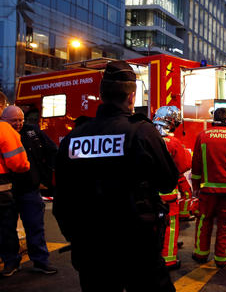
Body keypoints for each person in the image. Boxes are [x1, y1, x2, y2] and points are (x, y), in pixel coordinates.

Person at [53, 60, 179, 291]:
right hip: (136, 245)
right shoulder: (141, 131)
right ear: (131, 97)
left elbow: (61, 198)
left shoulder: (75, 137)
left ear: (102, 95)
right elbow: (168, 181)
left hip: (90, 246)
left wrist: (76, 237)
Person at [0, 106, 58, 276]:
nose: (18, 124)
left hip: (29, 189)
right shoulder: (5, 133)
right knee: (6, 229)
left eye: (20, 120)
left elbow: (52, 150)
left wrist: (45, 178)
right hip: (7, 191)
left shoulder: (32, 132)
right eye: (14, 121)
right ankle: (11, 262)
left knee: (35, 227)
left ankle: (40, 261)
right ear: (4, 119)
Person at [191, 107, 226, 267]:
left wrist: (195, 187)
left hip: (207, 190)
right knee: (225, 224)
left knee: (203, 221)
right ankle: (221, 258)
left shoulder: (202, 136)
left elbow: (196, 164)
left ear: (214, 118)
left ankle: (201, 254)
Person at [152, 106, 192, 270]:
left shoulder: (147, 138)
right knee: (169, 227)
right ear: (172, 123)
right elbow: (184, 165)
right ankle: (168, 259)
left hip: (148, 194)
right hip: (167, 195)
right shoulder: (173, 143)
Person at [0, 93, 31, 277]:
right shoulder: (3, 129)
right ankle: (11, 262)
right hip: (2, 188)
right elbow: (18, 163)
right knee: (6, 226)